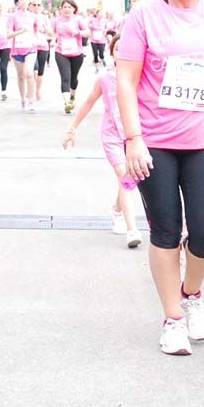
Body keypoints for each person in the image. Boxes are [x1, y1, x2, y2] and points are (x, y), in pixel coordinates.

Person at [116, 0, 204, 356]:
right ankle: (173, 319)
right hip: (155, 142)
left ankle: (193, 292)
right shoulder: (144, 15)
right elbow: (126, 81)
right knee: (165, 231)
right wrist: (133, 139)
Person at [63, 34, 142, 249]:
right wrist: (72, 129)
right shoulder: (105, 79)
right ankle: (132, 229)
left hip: (133, 136)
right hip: (112, 135)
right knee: (124, 176)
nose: (121, 52)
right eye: (117, 49)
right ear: (112, 53)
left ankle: (117, 210)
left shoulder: (140, 76)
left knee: (127, 179)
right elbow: (88, 103)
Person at [54, 0, 88, 114]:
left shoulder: (78, 19)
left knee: (73, 78)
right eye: (64, 7)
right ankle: (67, 102)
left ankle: (72, 96)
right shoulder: (57, 20)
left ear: (74, 9)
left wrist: (78, 32)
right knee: (65, 77)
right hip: (61, 52)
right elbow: (51, 32)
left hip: (76, 53)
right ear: (61, 9)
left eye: (69, 7)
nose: (67, 9)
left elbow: (88, 33)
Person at [8, 0, 39, 112]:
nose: (23, 1)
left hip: (31, 49)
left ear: (29, 1)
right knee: (21, 76)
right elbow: (8, 35)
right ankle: (23, 99)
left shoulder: (33, 16)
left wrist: (36, 39)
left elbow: (36, 31)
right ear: (17, 1)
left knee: (29, 74)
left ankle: (31, 100)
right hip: (17, 50)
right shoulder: (12, 16)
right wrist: (21, 31)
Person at [33, 0, 53, 101]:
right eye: (34, 5)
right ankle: (31, 89)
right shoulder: (28, 17)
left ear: (41, 7)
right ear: (30, 6)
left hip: (43, 46)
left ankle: (38, 90)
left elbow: (51, 33)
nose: (36, 6)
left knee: (40, 71)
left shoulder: (45, 18)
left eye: (38, 5)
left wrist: (45, 28)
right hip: (31, 46)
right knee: (33, 69)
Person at [88, 8, 108, 73]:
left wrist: (105, 31)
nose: (101, 14)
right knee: (95, 53)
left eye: (102, 13)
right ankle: (97, 67)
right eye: (99, 13)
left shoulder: (104, 20)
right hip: (93, 39)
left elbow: (106, 27)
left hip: (102, 39)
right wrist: (91, 26)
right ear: (96, 14)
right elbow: (88, 26)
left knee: (101, 53)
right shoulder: (92, 20)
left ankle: (102, 59)